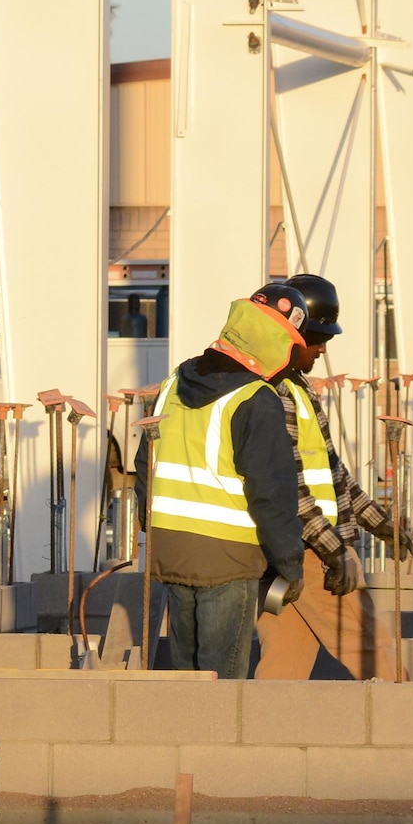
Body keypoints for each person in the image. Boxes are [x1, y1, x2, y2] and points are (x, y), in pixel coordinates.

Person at [136, 286, 308, 679]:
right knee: (222, 683)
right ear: (275, 340)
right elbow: (271, 493)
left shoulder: (173, 383)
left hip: (172, 549)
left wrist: (157, 531)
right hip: (229, 559)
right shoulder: (255, 398)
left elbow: (145, 464)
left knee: (186, 677)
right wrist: (289, 564)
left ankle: (184, 740)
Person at [255, 271, 408, 680]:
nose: (323, 350)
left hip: (288, 556)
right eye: (318, 340)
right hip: (309, 552)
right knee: (373, 648)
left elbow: (334, 474)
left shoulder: (298, 390)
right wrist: (333, 552)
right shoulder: (276, 396)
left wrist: (382, 524)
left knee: (284, 661)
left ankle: (261, 737)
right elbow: (288, 488)